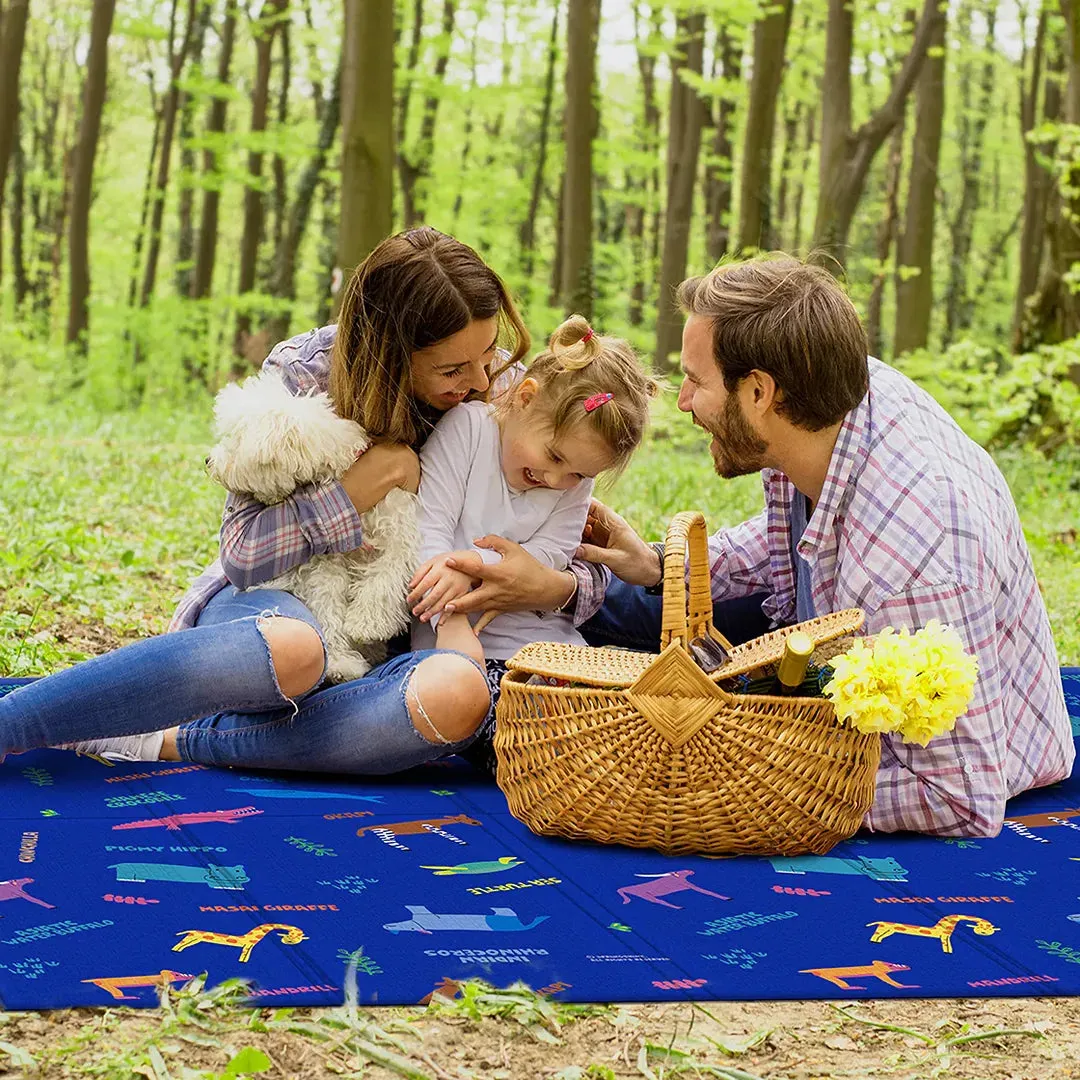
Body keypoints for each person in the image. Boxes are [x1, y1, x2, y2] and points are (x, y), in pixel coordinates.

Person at [0, 228, 605, 774]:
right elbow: (241, 554)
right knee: (297, 650)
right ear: (390, 352)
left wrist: (554, 587)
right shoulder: (307, 373)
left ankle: (167, 739)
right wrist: (361, 487)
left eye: (487, 355)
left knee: (457, 696)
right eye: (452, 367)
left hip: (389, 656)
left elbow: (582, 533)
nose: (478, 381)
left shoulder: (510, 393)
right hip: (277, 611)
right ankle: (17, 725)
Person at [547, 254, 1072, 839]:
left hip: (939, 754)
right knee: (646, 611)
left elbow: (959, 796)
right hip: (829, 627)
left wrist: (757, 786)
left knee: (665, 680)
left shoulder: (911, 559)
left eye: (696, 381)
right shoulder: (827, 399)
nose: (683, 402)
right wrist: (659, 565)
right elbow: (793, 540)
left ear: (758, 392)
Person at [406, 315, 658, 769]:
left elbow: (550, 557)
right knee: (530, 737)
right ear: (525, 399)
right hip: (462, 642)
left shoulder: (572, 485)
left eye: (579, 474)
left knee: (624, 717)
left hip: (550, 646)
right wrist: (451, 620)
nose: (557, 480)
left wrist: (466, 563)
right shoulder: (468, 430)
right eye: (555, 456)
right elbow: (427, 529)